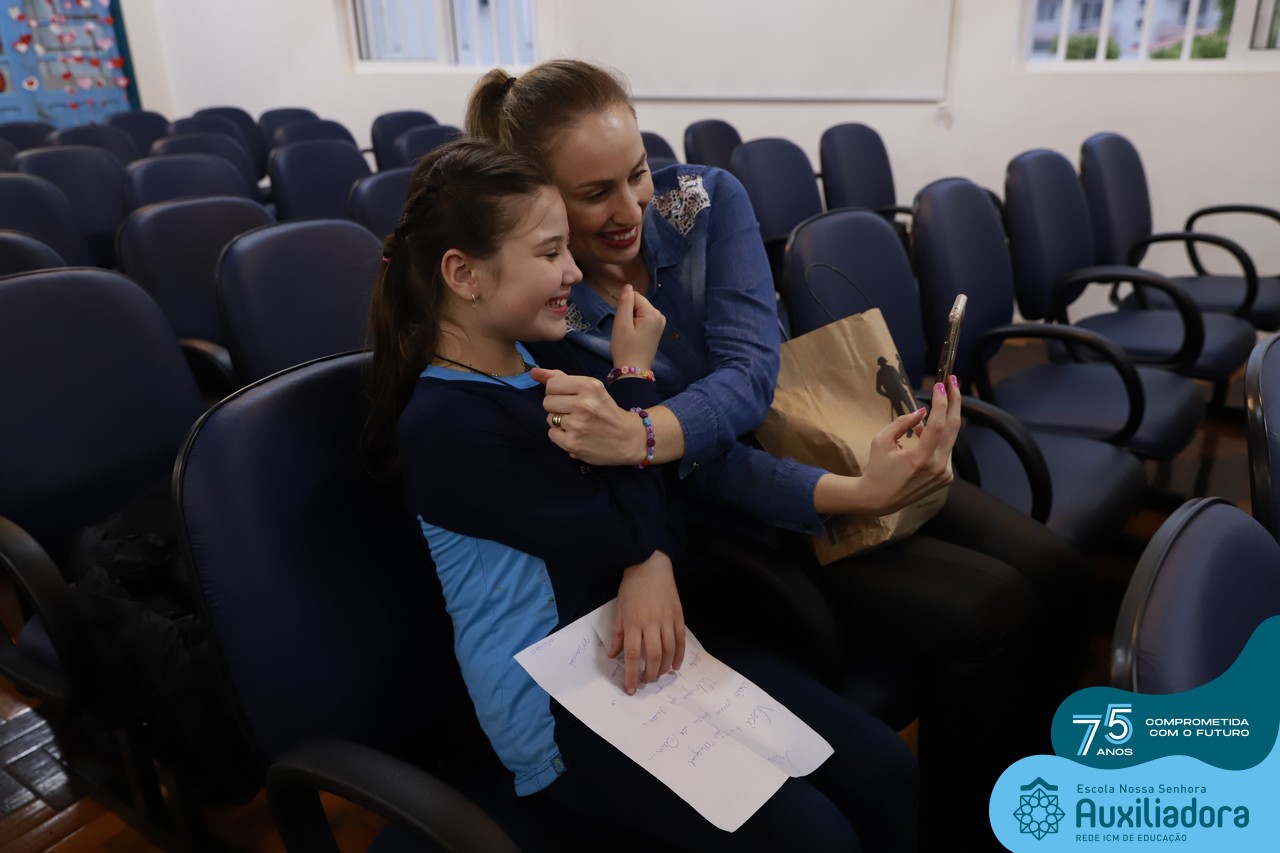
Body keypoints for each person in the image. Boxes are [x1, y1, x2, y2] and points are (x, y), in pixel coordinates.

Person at [465, 59, 1092, 850]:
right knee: (995, 611)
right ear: (542, 199)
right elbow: (699, 473)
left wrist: (647, 432)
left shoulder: (704, 200)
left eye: (637, 173)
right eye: (595, 194)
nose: (631, 209)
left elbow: (751, 376)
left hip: (806, 439)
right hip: (733, 514)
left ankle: (1039, 804)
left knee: (1062, 575)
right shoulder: (551, 306)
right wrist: (856, 493)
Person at [365, 138, 919, 852]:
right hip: (558, 708)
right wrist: (631, 377)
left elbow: (656, 506)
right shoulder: (450, 427)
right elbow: (633, 521)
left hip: (634, 648)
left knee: (884, 772)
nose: (573, 272)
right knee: (817, 837)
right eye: (550, 253)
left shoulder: (529, 362)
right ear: (463, 274)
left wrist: (643, 530)